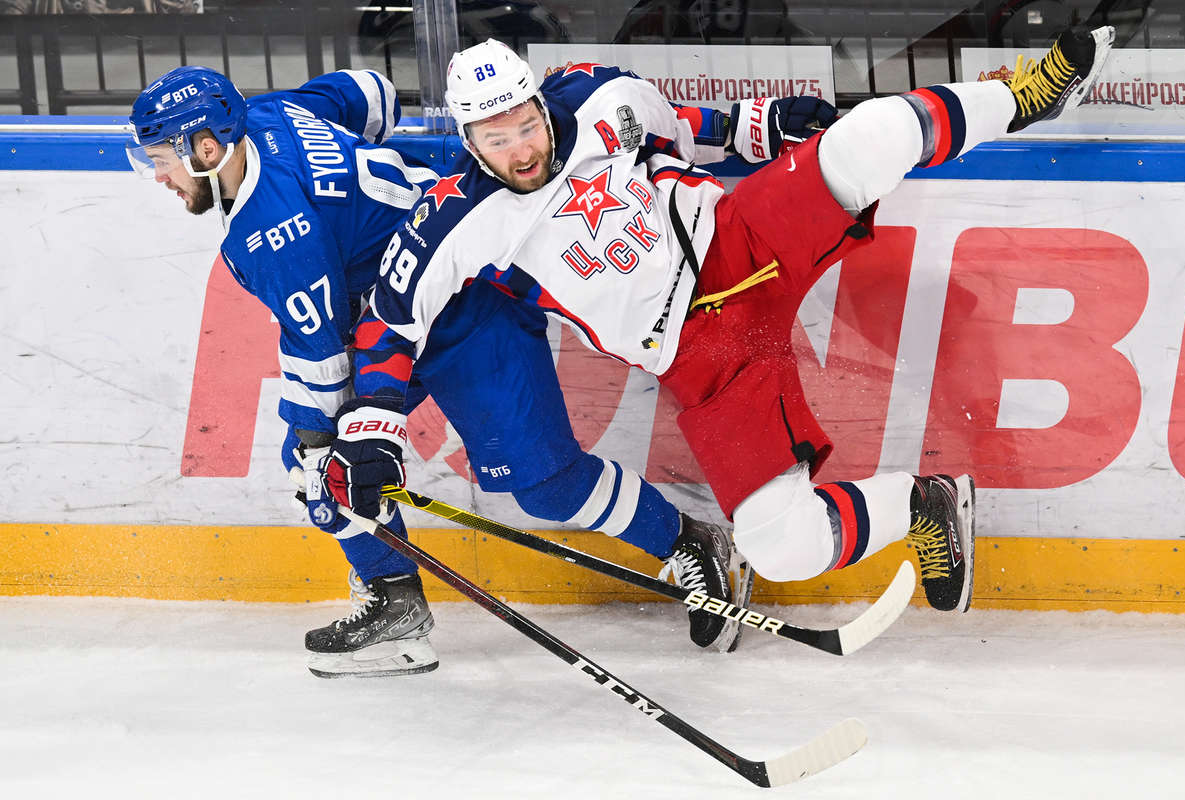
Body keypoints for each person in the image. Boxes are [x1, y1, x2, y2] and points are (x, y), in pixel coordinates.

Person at [318, 26, 1116, 614]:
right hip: (704, 362)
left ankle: (1025, 96)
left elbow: (679, 130)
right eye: (498, 138)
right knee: (783, 545)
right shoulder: (455, 220)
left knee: (863, 136)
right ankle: (924, 504)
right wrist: (371, 437)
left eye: (525, 122)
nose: (523, 147)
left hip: (740, 243)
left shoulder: (598, 93)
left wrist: (751, 127)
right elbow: (391, 327)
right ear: (468, 138)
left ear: (534, 98)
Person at [125, 66, 749, 678]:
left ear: (206, 147)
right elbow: (369, 93)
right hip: (392, 316)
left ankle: (691, 542)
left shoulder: (270, 235)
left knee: (538, 484)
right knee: (324, 464)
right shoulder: (270, 114)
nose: (159, 176)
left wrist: (329, 449)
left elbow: (320, 358)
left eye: (162, 158)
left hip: (463, 304)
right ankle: (393, 600)